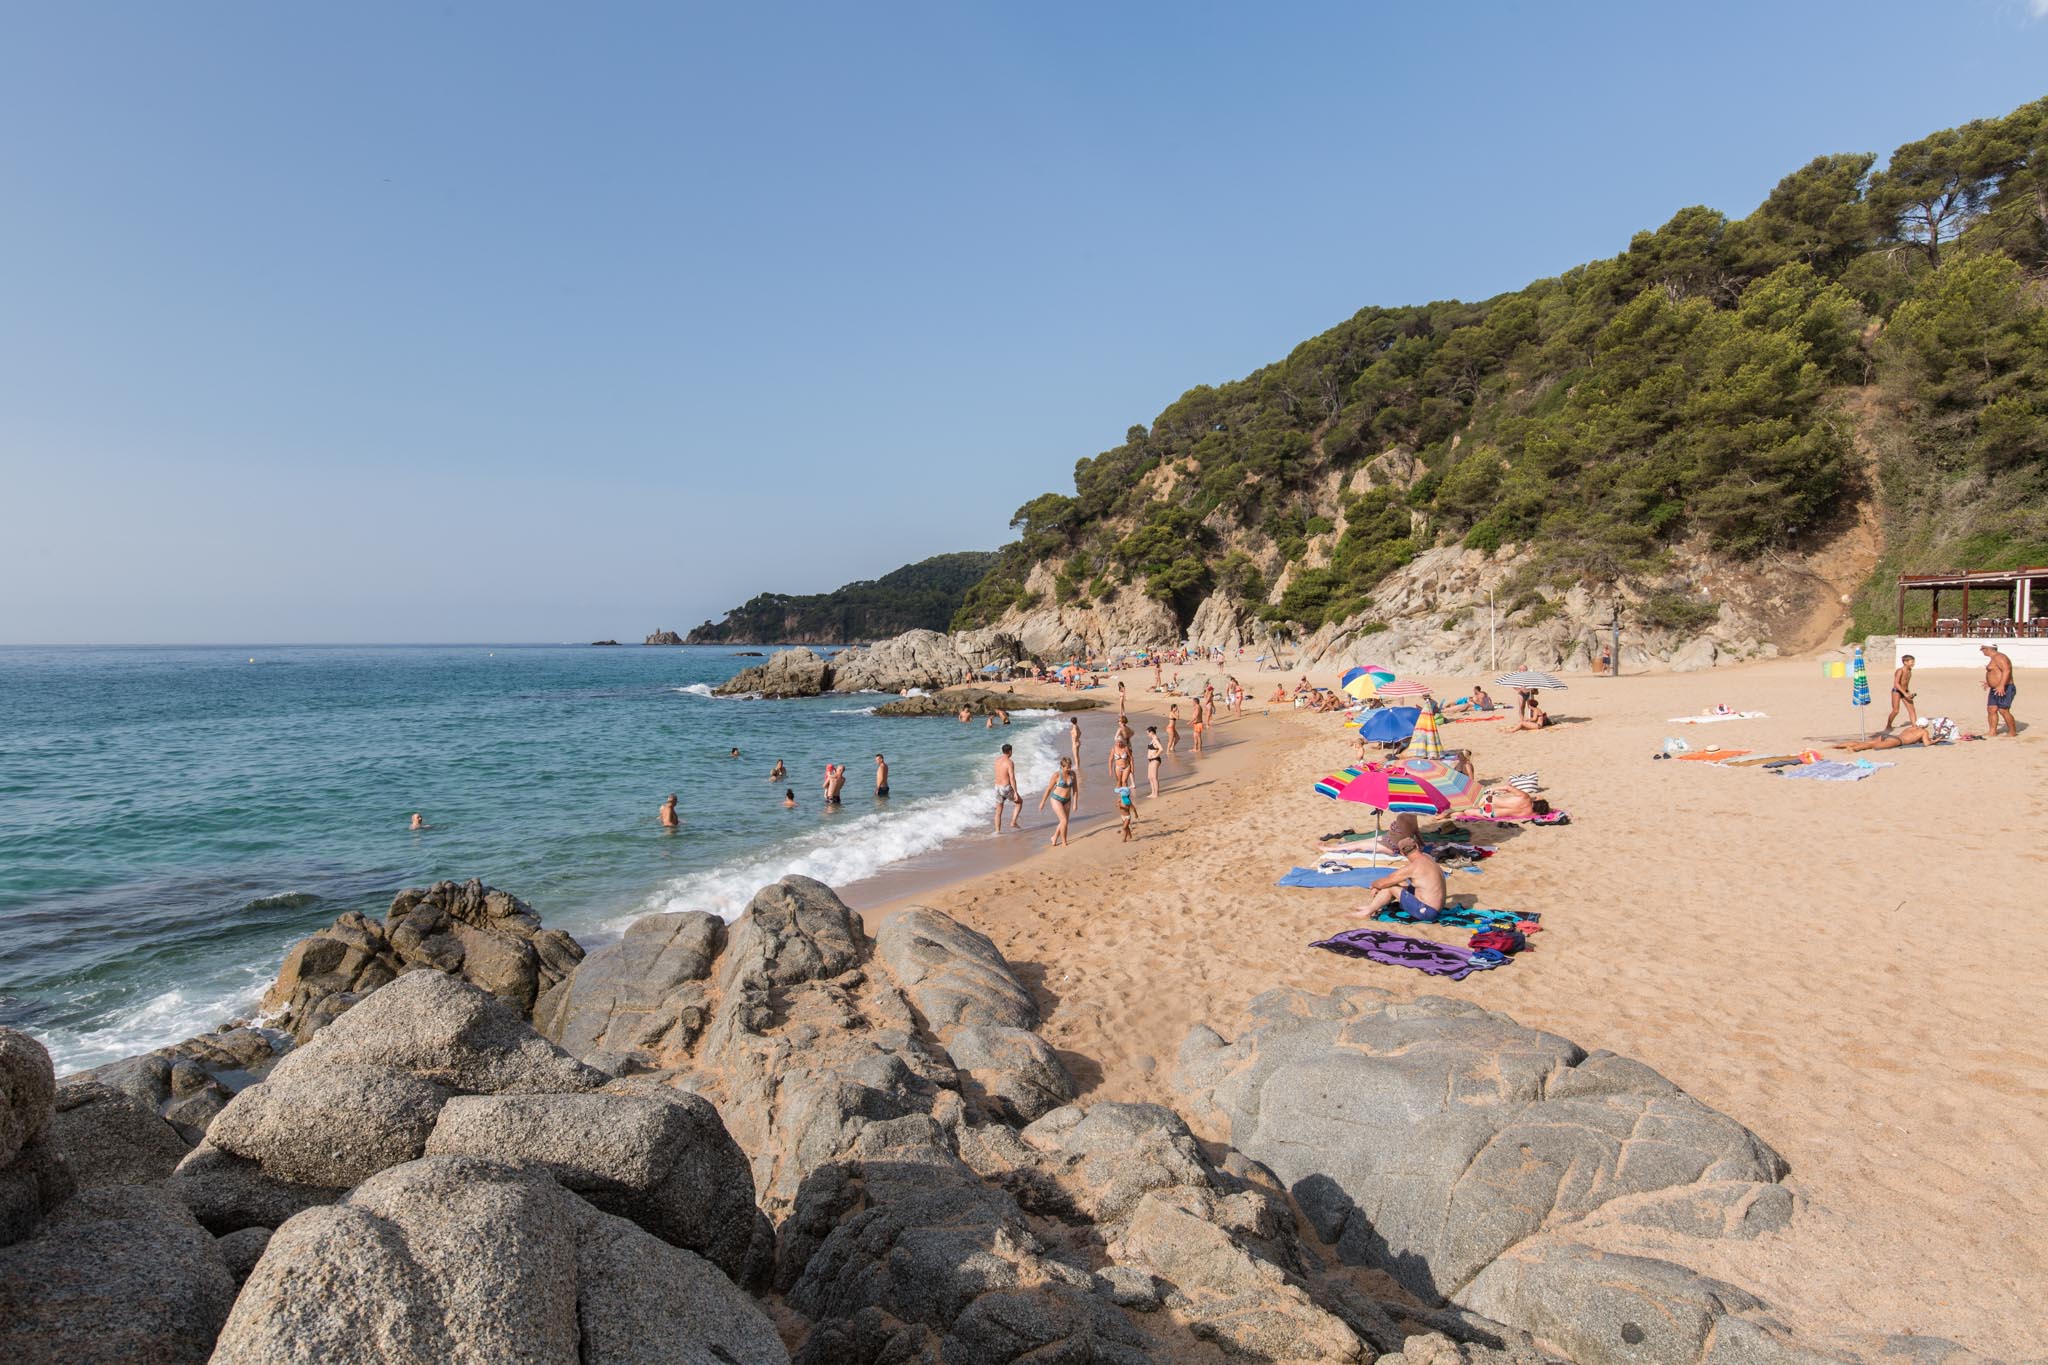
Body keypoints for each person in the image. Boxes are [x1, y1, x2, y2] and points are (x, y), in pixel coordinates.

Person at [1352, 837, 1446, 921]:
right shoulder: (1428, 857)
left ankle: (1367, 912)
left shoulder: (1414, 867)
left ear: (1402, 853)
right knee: (1399, 882)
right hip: (1436, 908)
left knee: (1390, 887)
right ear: (1417, 846)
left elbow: (1384, 883)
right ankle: (1371, 907)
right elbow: (1396, 878)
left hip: (1427, 912)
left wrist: (1373, 885)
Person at [1835, 717, 1955, 750]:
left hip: (1891, 736)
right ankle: (1853, 749)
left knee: (1866, 742)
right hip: (1896, 741)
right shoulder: (1923, 731)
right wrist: (1936, 741)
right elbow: (1927, 744)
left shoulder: (1910, 728)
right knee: (1871, 746)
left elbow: (1910, 737)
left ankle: (1840, 745)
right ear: (1925, 726)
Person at [1038, 756, 1078, 846]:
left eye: (1070, 766)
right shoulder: (1056, 775)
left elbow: (1075, 790)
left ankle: (1054, 837)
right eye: (1067, 767)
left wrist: (1075, 803)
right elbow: (1048, 789)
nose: (1069, 769)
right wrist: (1042, 802)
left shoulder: (1072, 774)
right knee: (1064, 821)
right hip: (1056, 799)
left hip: (1067, 800)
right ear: (1062, 767)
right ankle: (1064, 842)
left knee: (1064, 822)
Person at [1982, 644, 2017, 736]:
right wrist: (1989, 683)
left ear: (1988, 649)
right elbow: (1996, 672)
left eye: (1982, 649)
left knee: (2003, 710)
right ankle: (1992, 731)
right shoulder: (1993, 658)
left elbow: (2007, 670)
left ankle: (2012, 732)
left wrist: (2001, 685)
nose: (1982, 651)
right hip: (1995, 688)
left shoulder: (2000, 657)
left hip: (2005, 687)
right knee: (1991, 709)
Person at [993, 743, 1023, 830]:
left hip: (997, 787)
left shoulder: (997, 760)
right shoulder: (1009, 762)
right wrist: (1016, 792)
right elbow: (1012, 778)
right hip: (1005, 788)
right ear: (1010, 751)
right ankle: (1013, 822)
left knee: (998, 812)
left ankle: (997, 831)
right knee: (1019, 802)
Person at [1886, 655, 1919, 730]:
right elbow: (1896, 684)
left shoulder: (1910, 670)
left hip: (1905, 691)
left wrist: (1908, 692)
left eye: (1913, 661)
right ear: (1905, 662)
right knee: (1896, 711)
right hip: (1897, 691)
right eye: (1912, 662)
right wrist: (1904, 693)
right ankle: (1888, 725)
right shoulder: (1900, 671)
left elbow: (1906, 683)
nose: (1913, 663)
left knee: (1912, 710)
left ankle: (1914, 726)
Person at [1144, 725, 1163, 799]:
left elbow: (1161, 749)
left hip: (1155, 760)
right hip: (1151, 760)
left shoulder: (1155, 739)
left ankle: (1156, 793)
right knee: (1150, 777)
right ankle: (1153, 792)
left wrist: (1155, 756)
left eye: (1148, 733)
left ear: (1151, 732)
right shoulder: (1152, 739)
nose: (1147, 735)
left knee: (1154, 777)